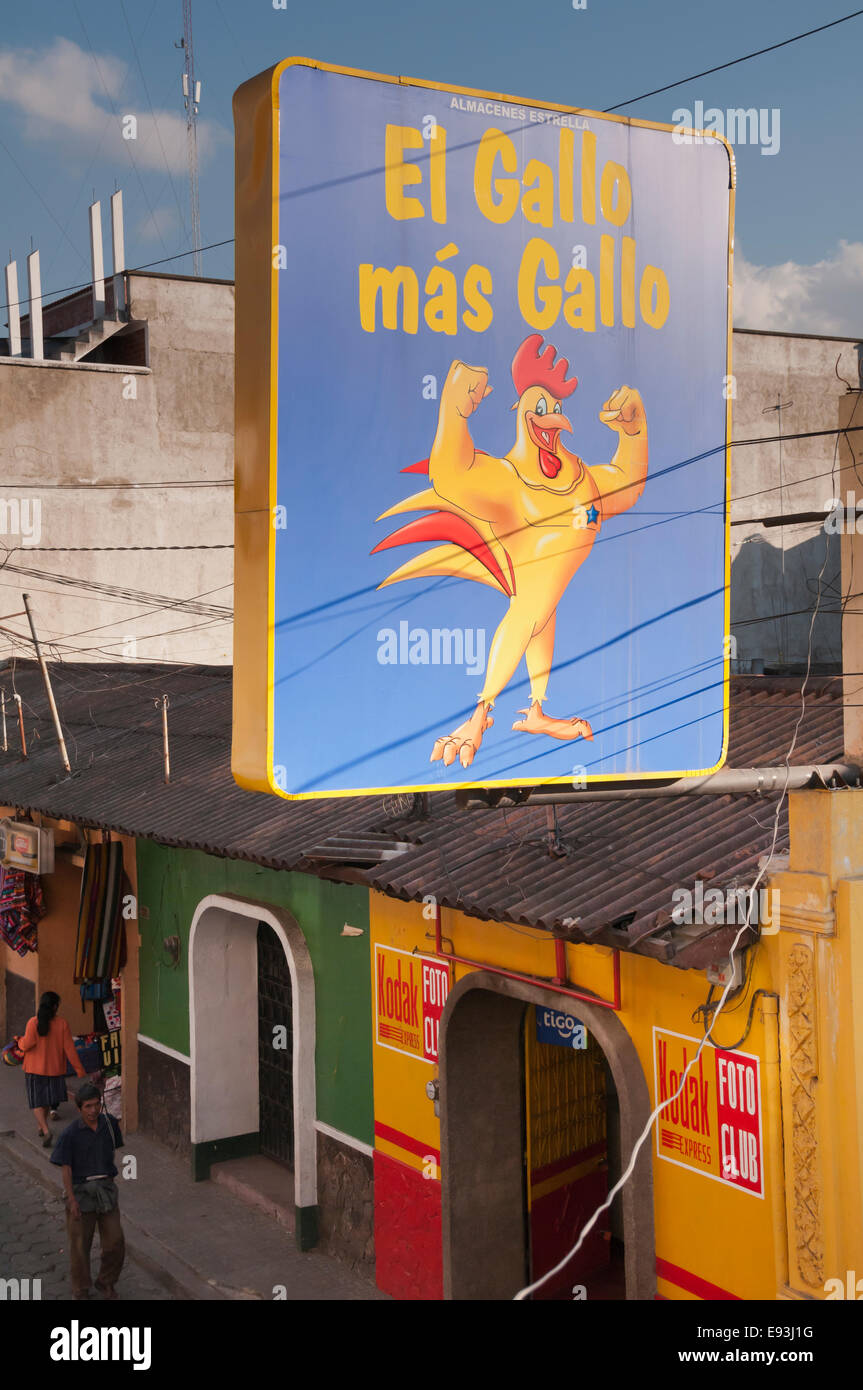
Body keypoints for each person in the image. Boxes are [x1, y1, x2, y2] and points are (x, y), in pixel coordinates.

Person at [50, 1082, 125, 1301]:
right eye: (88, 1107)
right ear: (79, 1108)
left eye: (96, 1105)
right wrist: (71, 1199)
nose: (93, 1111)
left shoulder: (109, 1125)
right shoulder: (70, 1134)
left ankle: (106, 1282)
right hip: (81, 1194)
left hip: (106, 1192)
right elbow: (66, 1168)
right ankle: (81, 1288)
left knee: (115, 1242)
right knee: (80, 1246)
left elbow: (114, 1149)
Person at [16, 991, 86, 1146]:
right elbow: (70, 1049)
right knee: (46, 1100)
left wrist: (19, 1042)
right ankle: (41, 1126)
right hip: (54, 1070)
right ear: (55, 1007)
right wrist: (79, 1069)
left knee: (36, 1102)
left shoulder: (33, 1023)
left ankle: (46, 1130)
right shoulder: (62, 1024)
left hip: (34, 1069)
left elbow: (26, 1045)